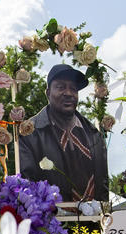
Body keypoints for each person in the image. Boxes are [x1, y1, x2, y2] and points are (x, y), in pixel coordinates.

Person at [19, 64, 108, 203]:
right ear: (48, 93)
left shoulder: (94, 135)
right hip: (51, 221)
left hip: (93, 221)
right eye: (61, 87)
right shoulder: (30, 133)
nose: (68, 93)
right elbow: (27, 184)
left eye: (73, 89)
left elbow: (103, 186)